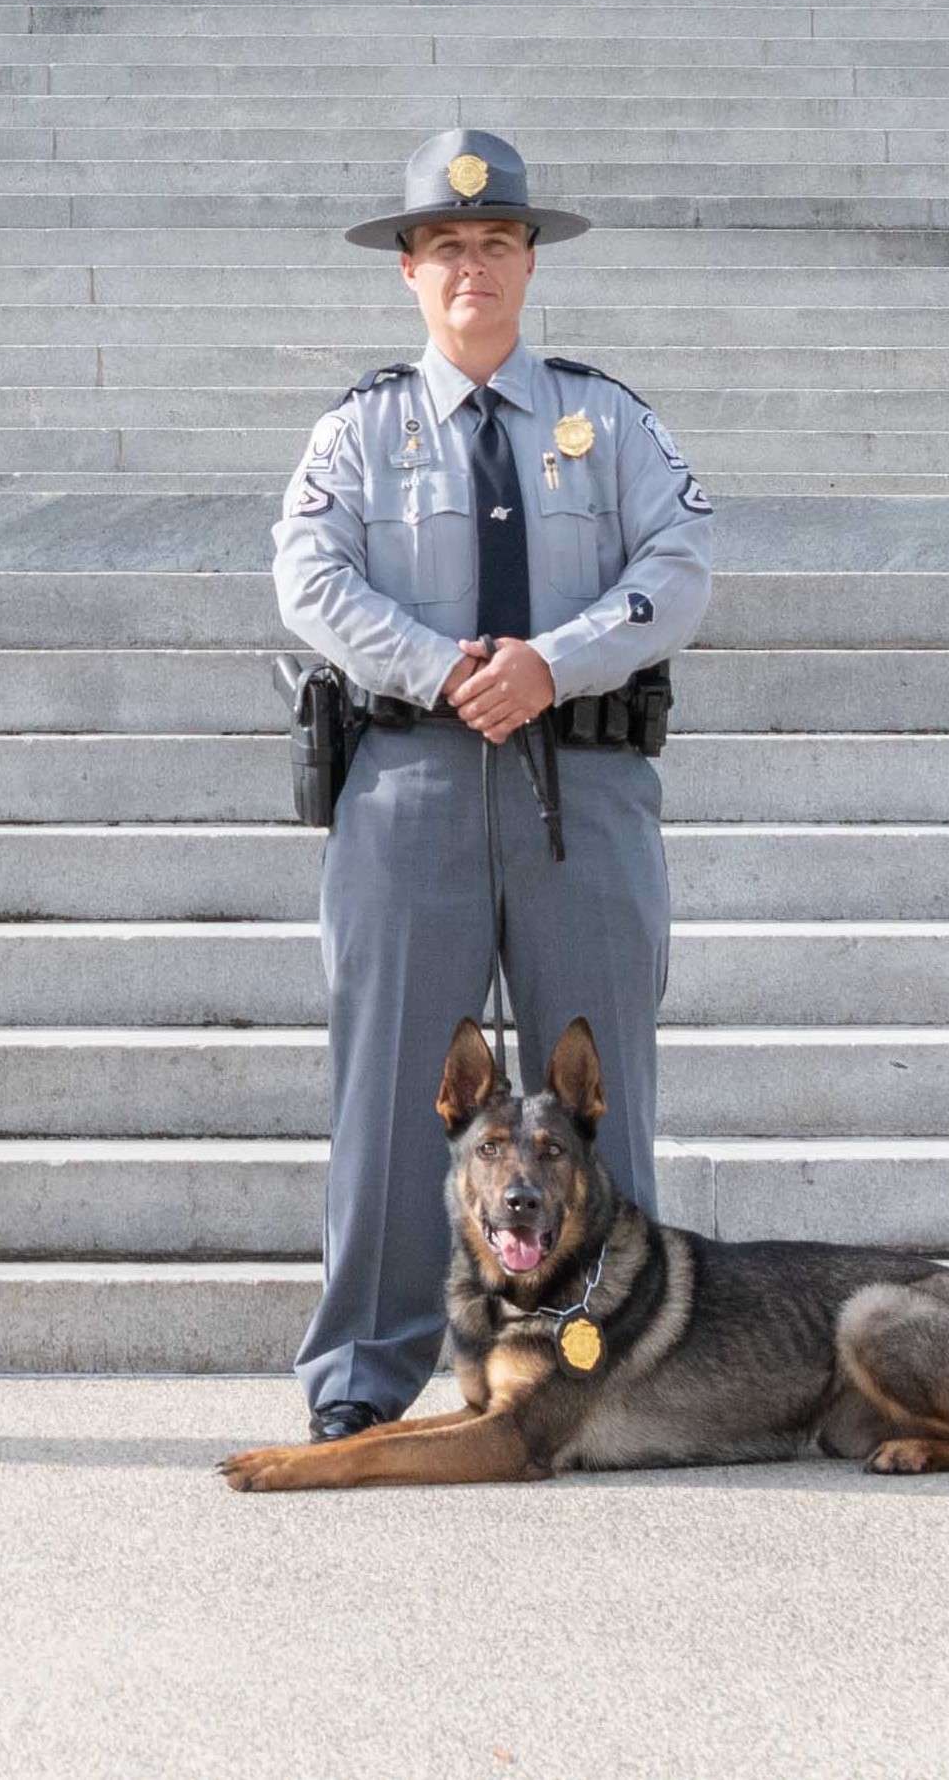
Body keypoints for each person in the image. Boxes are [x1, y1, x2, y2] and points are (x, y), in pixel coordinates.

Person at [267, 130, 715, 1442]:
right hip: (410, 785)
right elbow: (308, 575)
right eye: (447, 246)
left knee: (595, 1094)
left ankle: (603, 1375)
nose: (473, 266)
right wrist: (446, 668)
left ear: (529, 261)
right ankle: (361, 1374)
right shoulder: (358, 431)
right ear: (408, 269)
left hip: (579, 790)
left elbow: (680, 559)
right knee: (394, 1090)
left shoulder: (609, 417)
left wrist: (556, 663)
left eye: (496, 243)